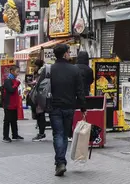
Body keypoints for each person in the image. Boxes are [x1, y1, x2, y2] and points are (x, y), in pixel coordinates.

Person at [38, 44, 86, 177]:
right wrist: (83, 107)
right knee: (64, 135)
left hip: (54, 107)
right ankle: (61, 161)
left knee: (57, 134)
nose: (70, 54)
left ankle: (60, 162)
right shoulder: (74, 70)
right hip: (69, 107)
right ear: (65, 54)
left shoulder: (48, 69)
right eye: (69, 52)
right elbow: (80, 91)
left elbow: (40, 88)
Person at [2, 65, 23, 143]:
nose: (18, 73)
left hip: (14, 103)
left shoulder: (14, 79)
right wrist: (16, 84)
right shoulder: (7, 80)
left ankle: (15, 134)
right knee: (7, 120)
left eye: (18, 71)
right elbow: (11, 90)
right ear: (12, 71)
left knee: (14, 120)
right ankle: (5, 136)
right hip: (8, 104)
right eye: (17, 72)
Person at [29, 59, 47, 142]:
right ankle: (41, 132)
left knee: (40, 115)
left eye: (35, 66)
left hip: (40, 97)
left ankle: (41, 133)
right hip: (38, 96)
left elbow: (40, 84)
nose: (34, 68)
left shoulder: (42, 73)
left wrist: (34, 83)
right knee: (39, 115)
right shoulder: (39, 73)